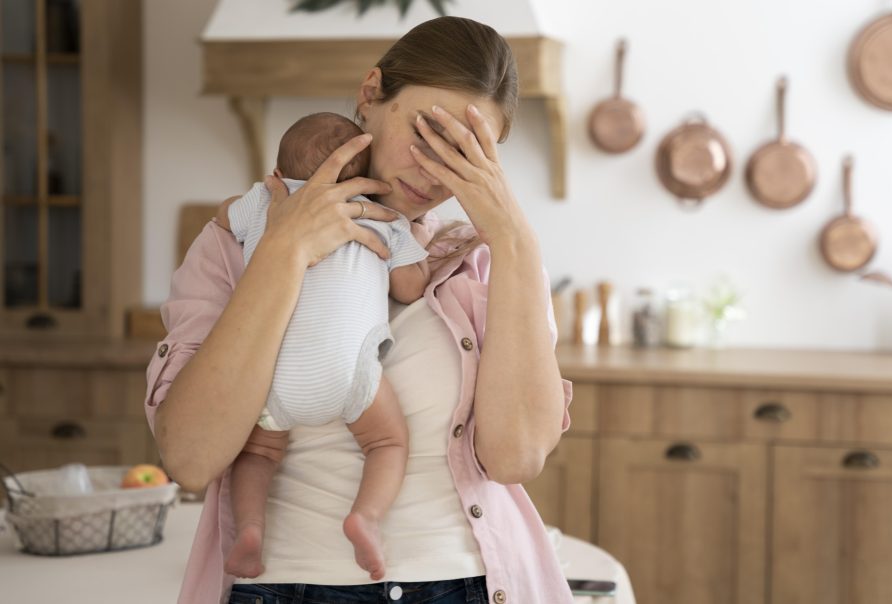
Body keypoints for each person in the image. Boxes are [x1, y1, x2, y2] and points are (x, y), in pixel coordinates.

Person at [145, 15, 574, 604]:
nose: (433, 172)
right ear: (370, 95)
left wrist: (514, 238)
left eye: (464, 154)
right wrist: (284, 252)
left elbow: (515, 456)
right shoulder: (236, 243)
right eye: (426, 137)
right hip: (284, 588)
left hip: (466, 586)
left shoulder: (485, 263)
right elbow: (191, 458)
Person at [215, 111, 431, 581]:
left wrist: (258, 197)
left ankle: (249, 531)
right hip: (348, 372)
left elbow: (220, 218)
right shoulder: (384, 218)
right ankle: (365, 517)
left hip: (271, 374)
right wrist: (413, 242)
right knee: (387, 442)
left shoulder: (265, 203)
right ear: (369, 180)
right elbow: (412, 288)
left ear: (277, 175)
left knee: (256, 454)